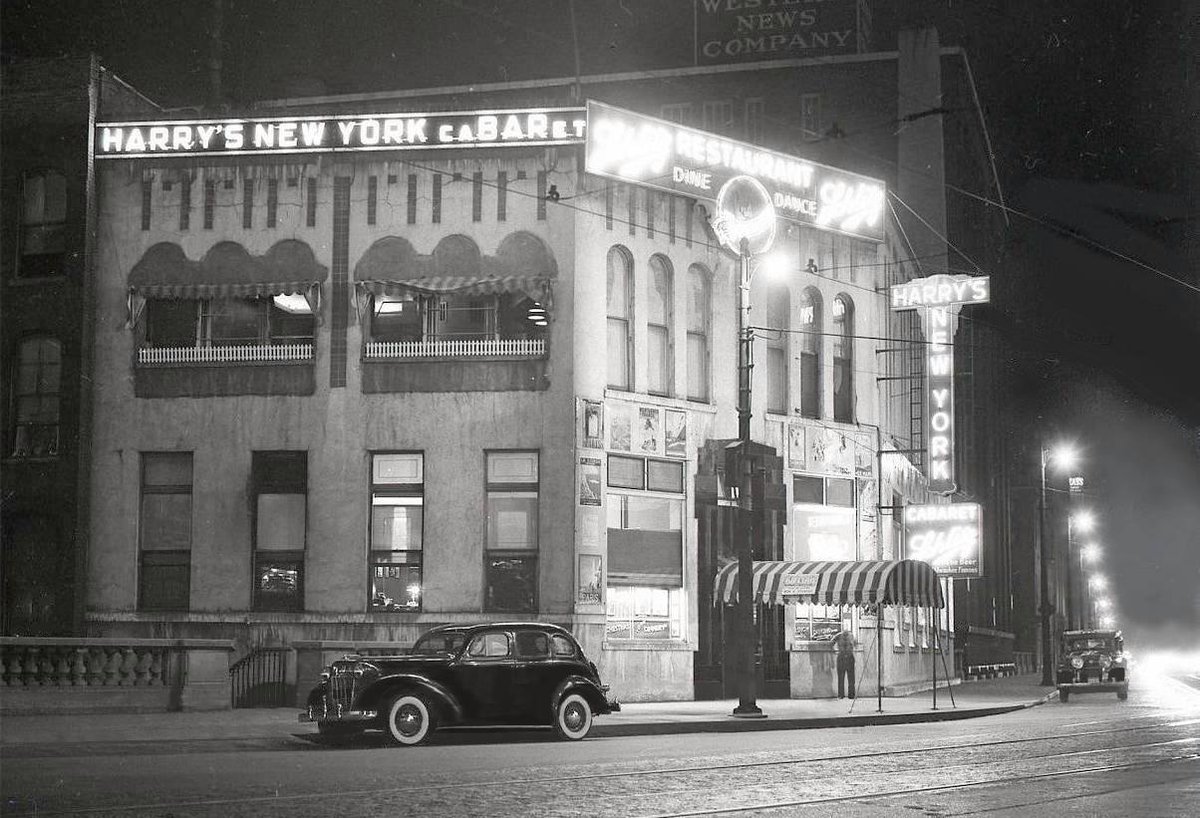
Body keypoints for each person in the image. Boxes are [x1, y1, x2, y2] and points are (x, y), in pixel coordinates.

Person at [833, 626, 857, 699]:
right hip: (842, 657)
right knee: (841, 677)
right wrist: (835, 650)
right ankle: (841, 694)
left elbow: (855, 644)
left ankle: (851, 694)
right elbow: (831, 642)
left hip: (849, 657)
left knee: (851, 678)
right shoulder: (838, 636)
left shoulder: (852, 636)